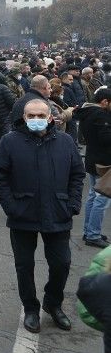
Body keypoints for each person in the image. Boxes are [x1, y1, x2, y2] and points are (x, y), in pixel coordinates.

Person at [0, 98, 85, 334]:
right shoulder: (10, 141)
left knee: (61, 264)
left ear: (50, 117)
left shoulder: (65, 141)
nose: (36, 119)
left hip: (58, 212)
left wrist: (73, 204)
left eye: (41, 115)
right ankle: (31, 308)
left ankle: (53, 303)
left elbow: (77, 174)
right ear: (24, 118)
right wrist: (11, 207)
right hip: (23, 214)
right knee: (24, 266)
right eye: (31, 116)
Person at [77, 89, 111, 247]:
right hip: (104, 162)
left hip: (93, 159)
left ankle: (89, 231)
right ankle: (93, 234)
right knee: (102, 199)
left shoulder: (88, 111)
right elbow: (106, 138)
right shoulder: (101, 115)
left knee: (93, 196)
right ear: (104, 102)